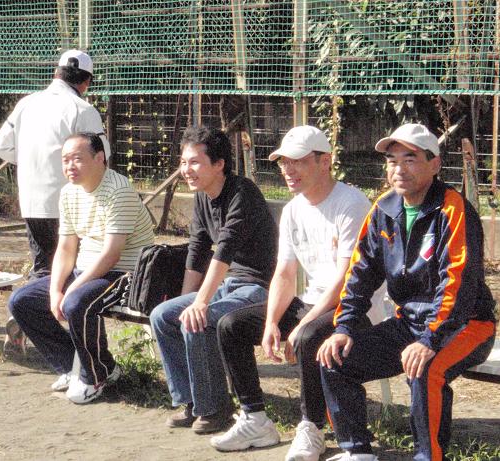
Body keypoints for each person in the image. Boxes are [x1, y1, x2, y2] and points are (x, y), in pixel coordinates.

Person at [317, 123, 497, 461]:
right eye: (392, 160)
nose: (399, 169)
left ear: (435, 164)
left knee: (425, 369)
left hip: (467, 324)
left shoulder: (453, 208)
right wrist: (344, 327)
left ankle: (429, 456)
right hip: (410, 322)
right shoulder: (383, 210)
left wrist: (430, 340)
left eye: (410, 159)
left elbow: (457, 283)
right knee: (335, 359)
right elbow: (358, 276)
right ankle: (357, 451)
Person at [211, 125, 380, 460]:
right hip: (312, 302)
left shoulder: (351, 203)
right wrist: (272, 322)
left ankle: (311, 427)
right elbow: (285, 274)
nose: (288, 170)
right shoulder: (292, 210)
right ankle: (255, 418)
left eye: (298, 161)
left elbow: (345, 280)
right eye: (283, 162)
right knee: (230, 325)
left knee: (308, 336)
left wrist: (302, 325)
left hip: (356, 310)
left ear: (324, 161)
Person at [149, 125, 278, 434]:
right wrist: (186, 301)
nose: (186, 170)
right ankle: (191, 401)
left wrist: (200, 304)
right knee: (163, 316)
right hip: (226, 287)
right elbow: (197, 252)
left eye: (194, 162)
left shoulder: (243, 193)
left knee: (198, 319)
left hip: (258, 289)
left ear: (219, 164)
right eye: (183, 162)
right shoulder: (202, 197)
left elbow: (224, 251)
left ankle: (216, 408)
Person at [8, 132, 153, 404]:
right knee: (22, 300)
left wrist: (72, 288)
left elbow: (111, 254)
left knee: (76, 303)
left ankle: (96, 375)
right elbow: (65, 248)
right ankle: (70, 365)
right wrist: (55, 291)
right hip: (86, 271)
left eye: (77, 159)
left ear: (100, 159)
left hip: (125, 273)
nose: (70, 166)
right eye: (65, 160)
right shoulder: (68, 193)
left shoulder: (119, 190)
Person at [0, 49, 110, 279]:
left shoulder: (26, 103)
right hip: (70, 205)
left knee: (43, 269)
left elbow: (1, 146)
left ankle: (32, 301)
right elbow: (102, 155)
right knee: (71, 272)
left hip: (31, 202)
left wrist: (30, 160)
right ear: (86, 82)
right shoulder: (83, 110)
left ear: (56, 73)